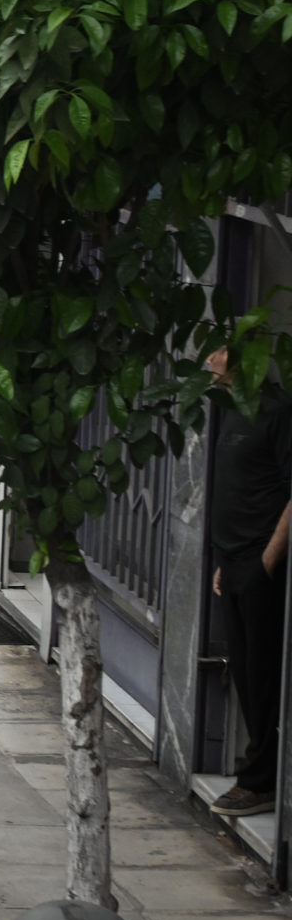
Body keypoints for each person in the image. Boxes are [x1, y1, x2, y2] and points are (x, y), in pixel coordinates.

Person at [206, 348, 292, 818]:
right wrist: (227, 558)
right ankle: (256, 768)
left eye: (220, 361)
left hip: (262, 564)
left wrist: (266, 561)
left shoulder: (278, 412)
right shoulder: (234, 411)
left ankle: (260, 781)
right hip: (232, 560)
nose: (211, 367)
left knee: (261, 675)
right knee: (242, 670)